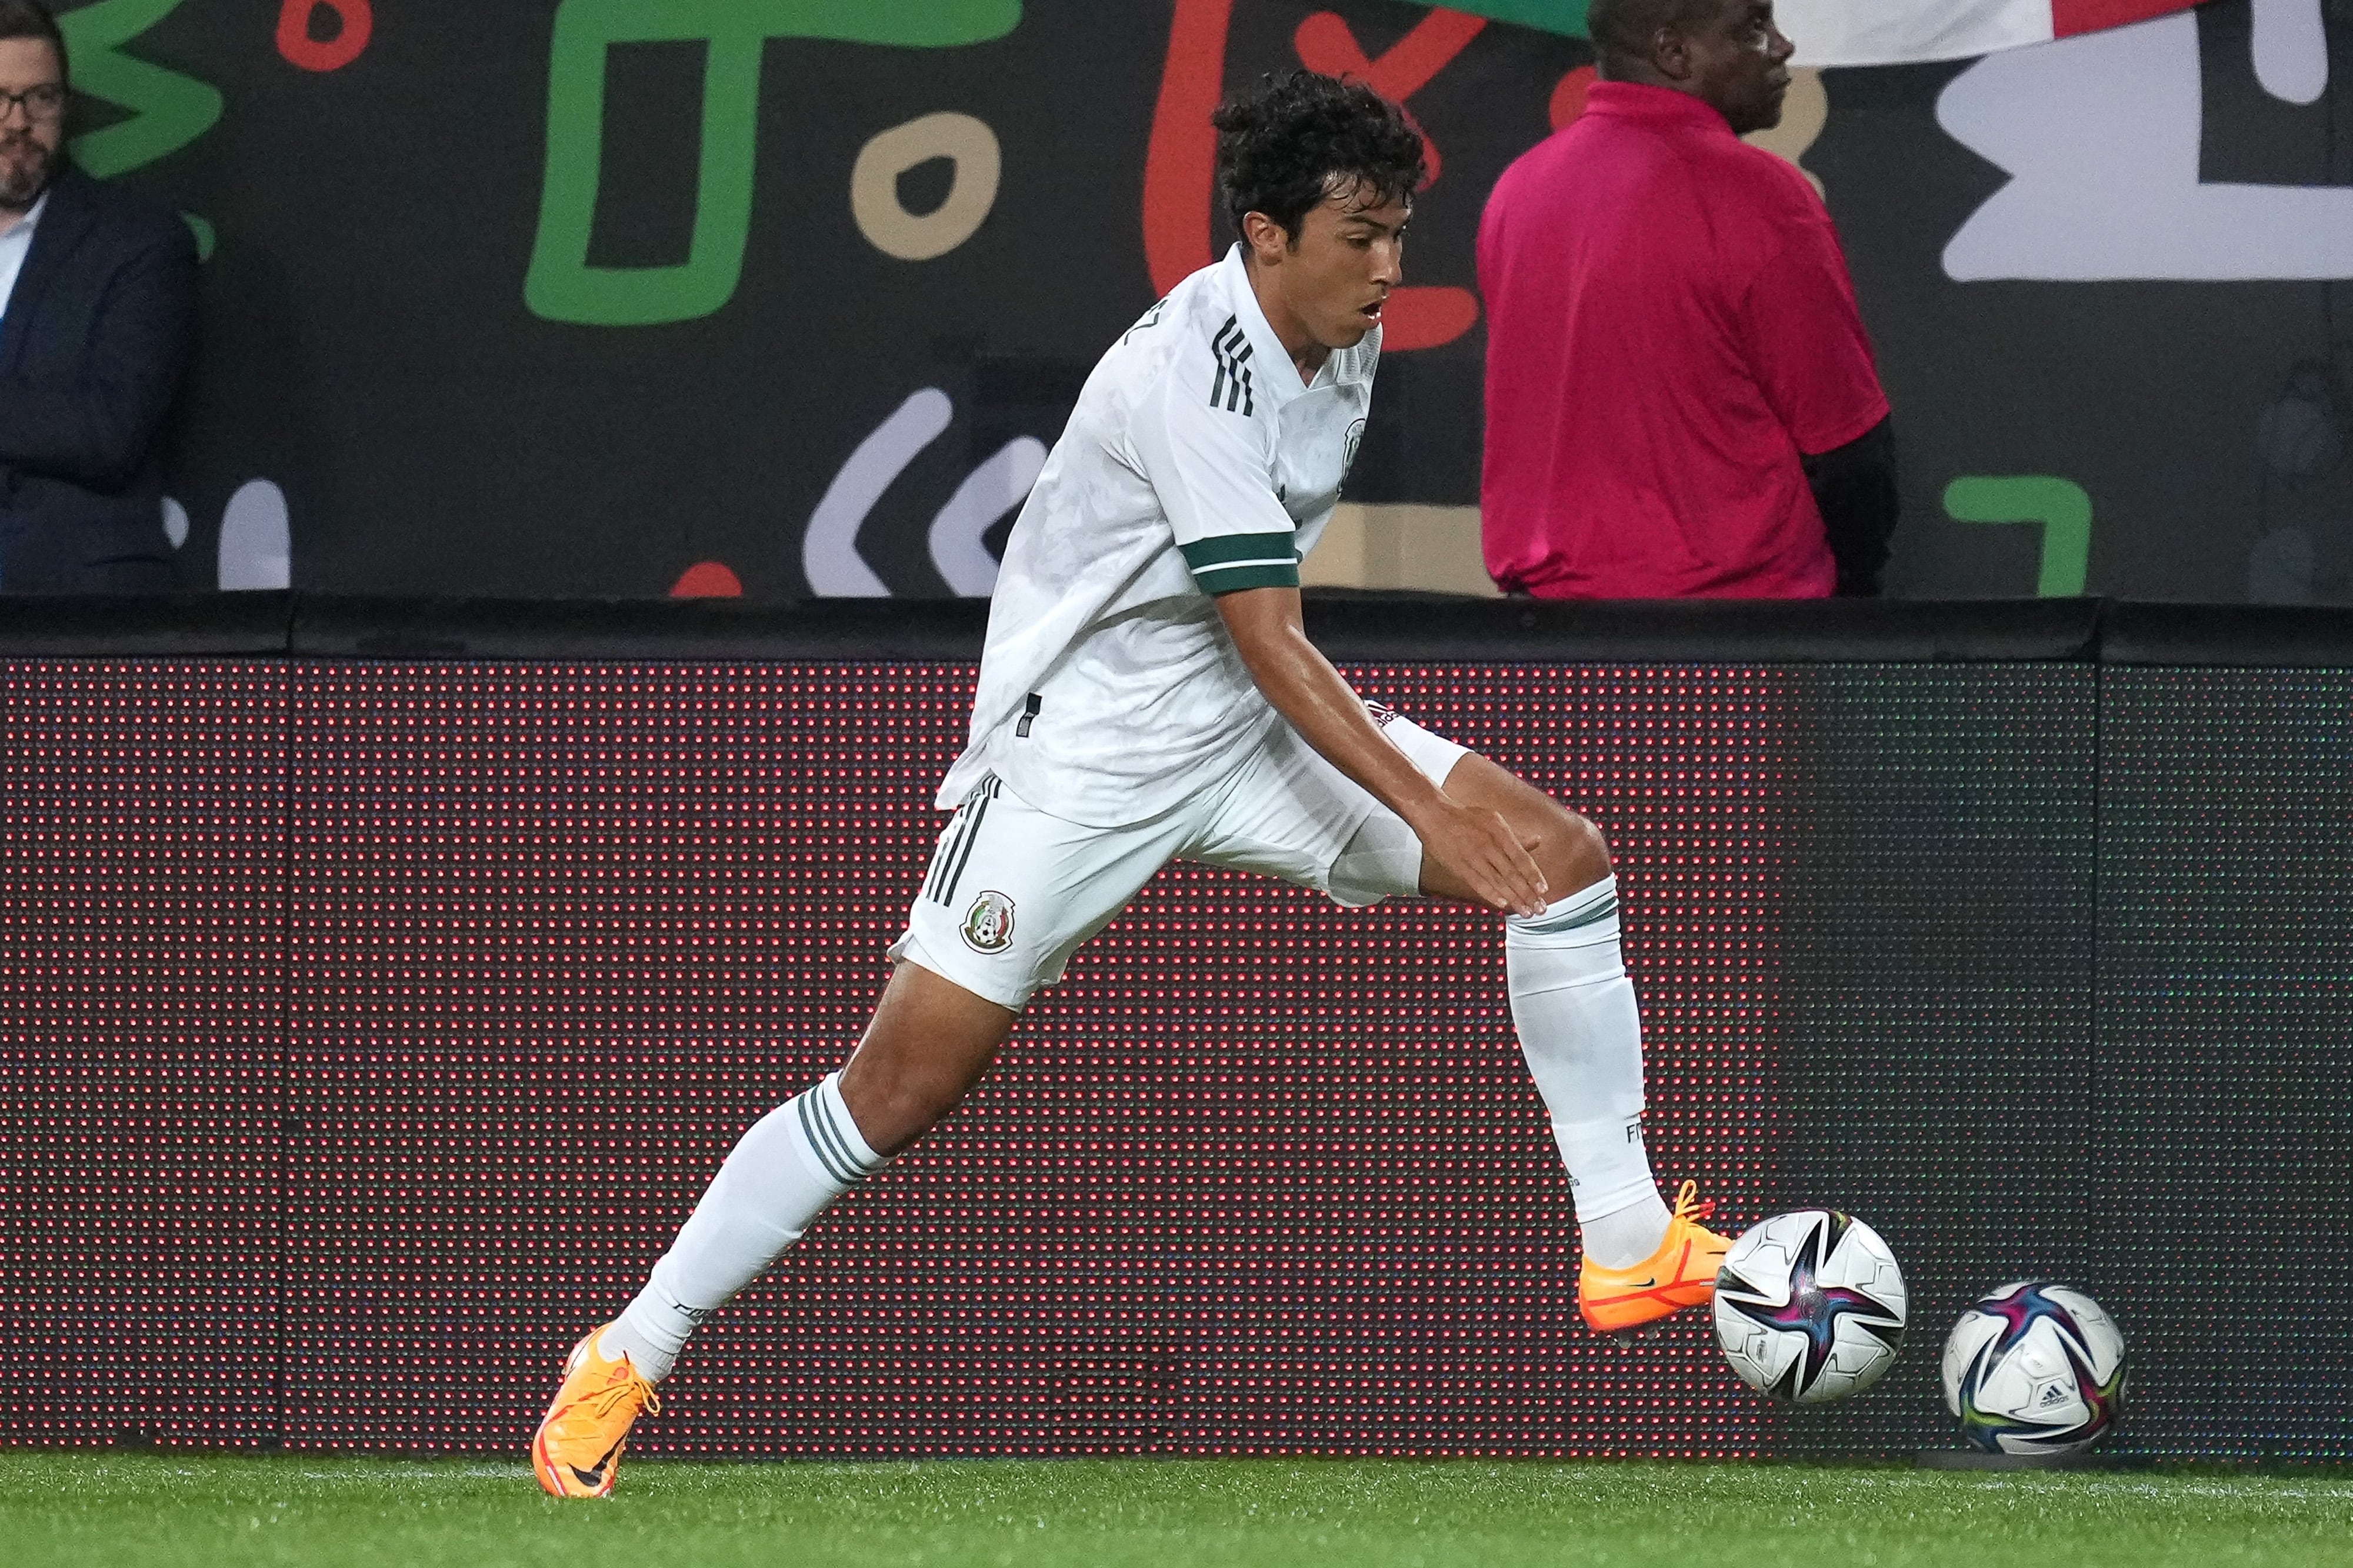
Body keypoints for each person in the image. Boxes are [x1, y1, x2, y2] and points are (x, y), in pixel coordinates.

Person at [531, 71, 1729, 1499]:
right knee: (895, 1091)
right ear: (1266, 233)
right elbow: (1271, 631)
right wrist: (1426, 808)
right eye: (1359, 235)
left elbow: (1258, 656)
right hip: (1078, 758)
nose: (1388, 267)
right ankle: (628, 1346)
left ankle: (1620, 1235)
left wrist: (1459, 814)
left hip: (1235, 726)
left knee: (1563, 860)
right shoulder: (1193, 371)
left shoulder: (1340, 336)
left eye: (1400, 232)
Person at [1478, 0, 1899, 599]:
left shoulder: (1519, 188)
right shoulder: (1762, 195)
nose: (1782, 46)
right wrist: (1855, 592)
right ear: (1673, 53)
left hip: (1548, 642)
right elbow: (1848, 451)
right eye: (1754, 27)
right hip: (1732, 641)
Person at [0, 0, 196, 593]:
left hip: (77, 614)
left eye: (42, 98)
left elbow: (108, 432)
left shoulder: (139, 244)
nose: (18, 122)